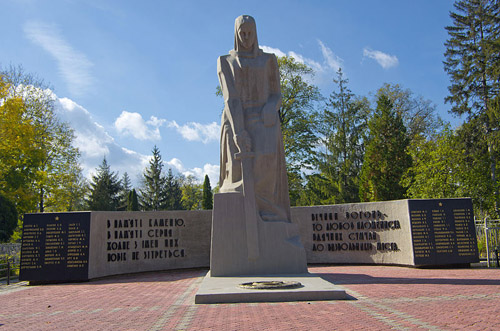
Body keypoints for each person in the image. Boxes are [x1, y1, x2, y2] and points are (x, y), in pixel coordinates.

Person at [217, 15, 291, 223]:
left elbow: (277, 93)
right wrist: (240, 131)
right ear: (236, 34)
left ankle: (268, 209)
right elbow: (230, 99)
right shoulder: (225, 61)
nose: (247, 37)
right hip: (236, 117)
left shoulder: (268, 60)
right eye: (243, 33)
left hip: (264, 117)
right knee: (240, 168)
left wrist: (271, 106)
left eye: (250, 33)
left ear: (256, 33)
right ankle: (240, 213)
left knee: (266, 155)